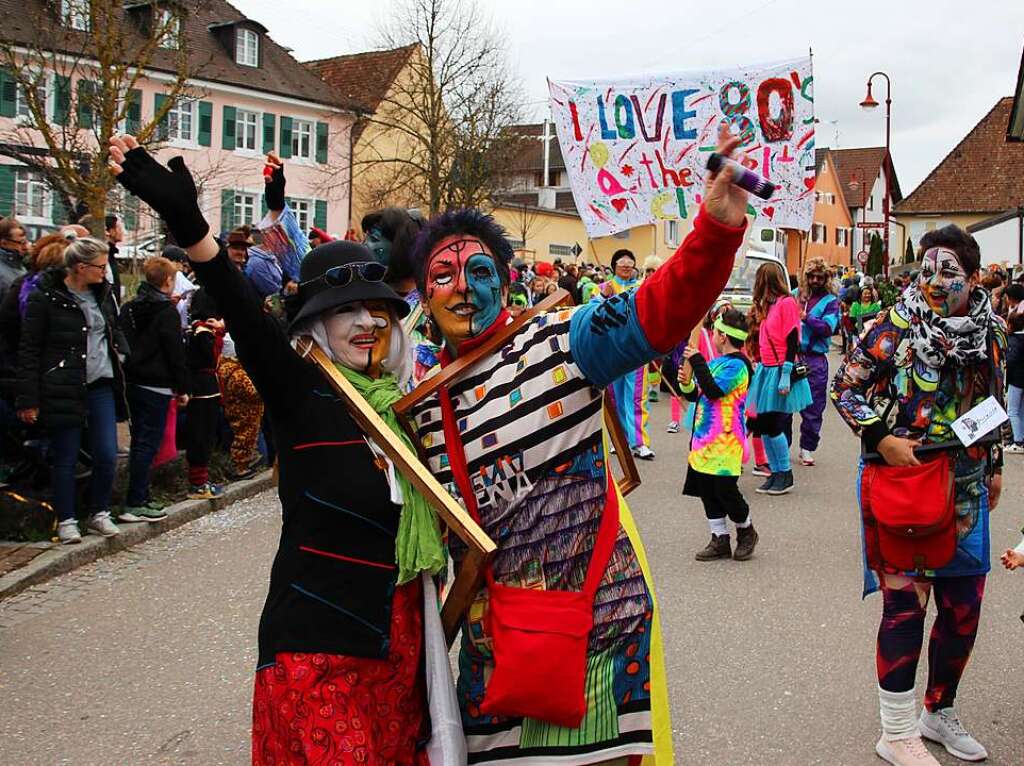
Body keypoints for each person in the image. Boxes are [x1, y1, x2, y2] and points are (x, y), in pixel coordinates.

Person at [400, 126, 750, 764]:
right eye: (442, 275)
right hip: (493, 651)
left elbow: (658, 311)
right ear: (424, 296)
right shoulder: (422, 407)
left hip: (599, 629)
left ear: (504, 282)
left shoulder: (564, 340)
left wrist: (714, 233)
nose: (461, 287)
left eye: (478, 271)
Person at [111, 134, 446, 766]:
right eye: (349, 312)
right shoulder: (302, 390)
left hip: (399, 648)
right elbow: (241, 307)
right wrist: (190, 224)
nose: (369, 323)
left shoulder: (402, 408)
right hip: (318, 645)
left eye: (379, 311)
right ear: (318, 323)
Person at [831, 226, 1005, 766]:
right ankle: (896, 729)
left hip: (968, 485)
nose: (933, 281)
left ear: (974, 279)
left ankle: (938, 710)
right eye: (926, 269)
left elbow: (992, 399)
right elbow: (846, 387)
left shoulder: (990, 328)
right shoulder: (894, 325)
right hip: (902, 483)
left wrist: (995, 465)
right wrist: (880, 437)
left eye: (948, 272)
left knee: (962, 610)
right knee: (906, 607)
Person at [16, 237, 128, 543]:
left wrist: (120, 352)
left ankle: (99, 512)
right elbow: (29, 350)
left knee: (106, 454)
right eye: (100, 267)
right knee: (66, 455)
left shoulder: (102, 294)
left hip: (100, 382)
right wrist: (28, 398)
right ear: (80, 267)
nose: (105, 273)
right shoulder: (46, 298)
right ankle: (66, 519)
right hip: (63, 384)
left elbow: (113, 328)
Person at [679, 308, 758, 562]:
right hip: (704, 439)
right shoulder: (715, 363)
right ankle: (719, 538)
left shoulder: (738, 367)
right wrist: (686, 382)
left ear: (723, 336)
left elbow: (714, 390)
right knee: (706, 489)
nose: (711, 335)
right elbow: (697, 394)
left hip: (726, 440)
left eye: (715, 332)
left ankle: (746, 531)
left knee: (725, 489)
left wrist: (698, 360)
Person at [118, 256, 187, 522]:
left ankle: (140, 494)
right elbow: (174, 353)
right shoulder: (166, 312)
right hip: (157, 383)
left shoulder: (131, 307)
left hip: (134, 379)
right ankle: (136, 499)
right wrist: (183, 387)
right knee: (148, 443)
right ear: (168, 281)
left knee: (139, 441)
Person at [746, 263, 812, 495]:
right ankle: (775, 472)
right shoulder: (769, 306)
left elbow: (792, 338)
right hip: (766, 369)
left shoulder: (785, 304)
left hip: (779, 369)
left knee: (772, 424)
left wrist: (785, 374)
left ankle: (785, 473)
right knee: (763, 424)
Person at [603, 248, 655, 459]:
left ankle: (639, 442)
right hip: (612, 350)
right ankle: (620, 439)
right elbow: (594, 313)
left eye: (629, 261)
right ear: (614, 265)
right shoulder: (603, 288)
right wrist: (603, 297)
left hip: (636, 349)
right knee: (614, 397)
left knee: (635, 397)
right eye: (621, 261)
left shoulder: (641, 288)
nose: (626, 264)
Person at [796, 258, 840, 466]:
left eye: (819, 277)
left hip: (815, 360)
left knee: (813, 407)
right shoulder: (797, 296)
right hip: (793, 355)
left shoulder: (831, 301)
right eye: (811, 276)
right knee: (785, 406)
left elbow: (828, 328)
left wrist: (807, 319)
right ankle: (781, 446)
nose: (814, 280)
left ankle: (807, 447)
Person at [183, 291, 226, 498]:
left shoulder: (202, 330)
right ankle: (197, 482)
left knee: (208, 433)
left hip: (209, 385)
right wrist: (218, 333)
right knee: (201, 434)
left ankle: (202, 478)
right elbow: (209, 358)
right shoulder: (202, 332)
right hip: (202, 386)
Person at [1006, 311, 1024, 454]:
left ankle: (1018, 441)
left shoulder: (1013, 340)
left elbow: (1010, 360)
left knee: (1012, 411)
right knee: (1022, 411)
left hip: (1016, 380)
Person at [0, 217, 28, 304]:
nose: (26, 247)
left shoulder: (20, 265)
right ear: (4, 243)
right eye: (21, 243)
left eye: (26, 242)